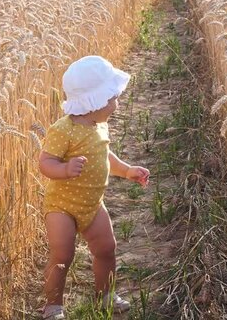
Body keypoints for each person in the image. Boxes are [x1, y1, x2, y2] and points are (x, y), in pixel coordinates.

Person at [39, 55, 150, 319]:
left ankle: (106, 295)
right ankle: (53, 305)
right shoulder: (62, 130)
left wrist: (127, 171)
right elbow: (45, 162)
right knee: (62, 255)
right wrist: (64, 170)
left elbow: (105, 156)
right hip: (61, 207)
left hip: (92, 203)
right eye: (111, 98)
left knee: (106, 249)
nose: (116, 103)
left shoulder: (100, 126)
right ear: (94, 101)